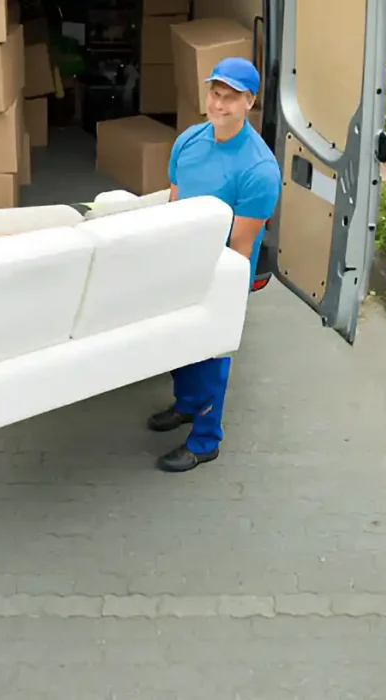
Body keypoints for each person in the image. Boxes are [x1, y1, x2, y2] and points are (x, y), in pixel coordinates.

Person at [148, 57, 281, 473]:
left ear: (250, 102)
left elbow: (239, 246)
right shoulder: (188, 141)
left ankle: (205, 439)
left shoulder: (259, 170)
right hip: (180, 262)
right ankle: (186, 406)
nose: (219, 105)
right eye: (215, 94)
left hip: (220, 272)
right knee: (176, 343)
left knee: (210, 355)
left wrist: (207, 289)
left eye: (231, 98)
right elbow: (174, 204)